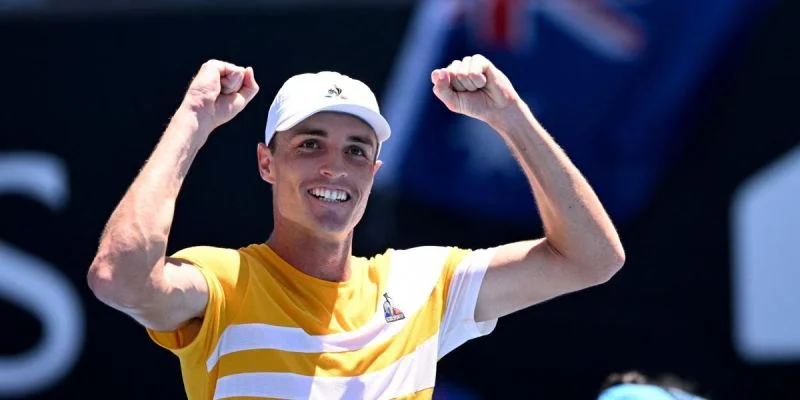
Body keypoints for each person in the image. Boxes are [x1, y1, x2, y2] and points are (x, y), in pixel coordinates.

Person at [87, 55, 625, 400]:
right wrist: (194, 117)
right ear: (267, 163)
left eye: (356, 151)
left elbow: (593, 259)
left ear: (374, 172)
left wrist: (510, 115)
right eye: (310, 145)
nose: (335, 169)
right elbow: (118, 276)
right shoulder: (227, 280)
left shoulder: (422, 283)